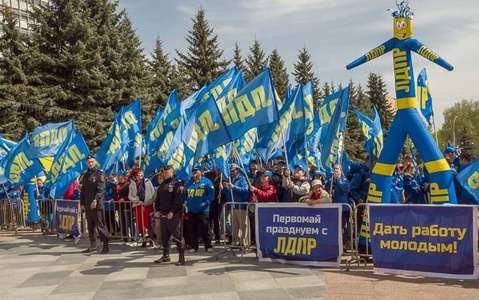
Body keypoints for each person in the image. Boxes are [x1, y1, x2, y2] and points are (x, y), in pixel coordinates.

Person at [153, 165, 186, 266]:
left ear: (172, 172)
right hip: (163, 215)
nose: (165, 174)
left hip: (174, 215)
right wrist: (157, 210)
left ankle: (181, 257)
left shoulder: (178, 184)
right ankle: (166, 256)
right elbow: (157, 200)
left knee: (177, 236)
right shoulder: (162, 185)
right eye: (163, 172)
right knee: (165, 237)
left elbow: (179, 200)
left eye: (167, 172)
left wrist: (172, 212)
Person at [79, 155, 110, 254]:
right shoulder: (86, 175)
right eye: (89, 162)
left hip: (97, 205)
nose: (90, 163)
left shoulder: (99, 174)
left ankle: (105, 245)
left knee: (100, 226)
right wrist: (82, 203)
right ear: (86, 163)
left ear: (95, 162)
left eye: (92, 161)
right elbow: (83, 191)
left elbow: (101, 189)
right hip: (88, 205)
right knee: (90, 226)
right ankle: (93, 245)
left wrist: (95, 200)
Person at [185, 166, 215, 253]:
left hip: (203, 210)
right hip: (191, 210)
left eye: (196, 171)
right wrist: (186, 202)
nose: (194, 173)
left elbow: (211, 194)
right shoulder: (189, 182)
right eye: (193, 171)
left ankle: (208, 246)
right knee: (192, 229)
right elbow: (185, 194)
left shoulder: (207, 182)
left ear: (201, 172)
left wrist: (206, 202)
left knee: (205, 228)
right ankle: (194, 246)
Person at [222, 163, 250, 246]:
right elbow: (228, 193)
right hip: (232, 205)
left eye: (233, 170)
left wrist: (234, 187)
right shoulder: (231, 179)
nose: (232, 172)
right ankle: (236, 240)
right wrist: (224, 188)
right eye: (231, 171)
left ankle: (244, 241)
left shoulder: (242, 179)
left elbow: (245, 190)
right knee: (235, 225)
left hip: (240, 205)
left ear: (237, 170)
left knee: (243, 225)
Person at [128, 167, 155, 247]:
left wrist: (148, 202)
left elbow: (153, 193)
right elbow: (130, 196)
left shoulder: (147, 182)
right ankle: (143, 239)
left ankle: (151, 240)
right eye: (139, 173)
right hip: (138, 205)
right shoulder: (132, 184)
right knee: (140, 224)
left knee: (149, 223)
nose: (141, 174)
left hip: (147, 204)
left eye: (141, 173)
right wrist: (136, 200)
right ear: (135, 175)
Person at [249, 170, 277, 243]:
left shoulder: (272, 187)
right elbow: (253, 196)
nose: (263, 177)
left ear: (269, 178)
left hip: (269, 212)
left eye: (265, 176)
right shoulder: (258, 187)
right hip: (260, 212)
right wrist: (253, 198)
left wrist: (256, 191)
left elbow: (266, 195)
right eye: (262, 176)